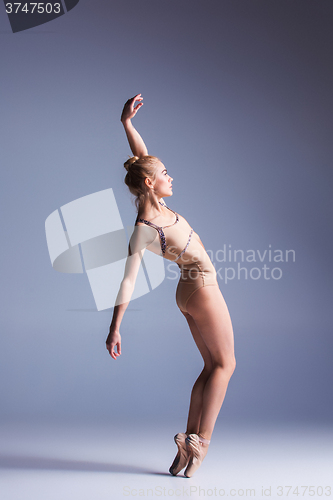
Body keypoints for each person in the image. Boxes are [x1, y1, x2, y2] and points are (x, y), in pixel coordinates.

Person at [106, 94, 236, 477]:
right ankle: (202, 443)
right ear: (150, 182)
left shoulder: (151, 213)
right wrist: (115, 328)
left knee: (210, 365)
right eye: (165, 174)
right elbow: (128, 280)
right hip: (202, 288)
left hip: (188, 291)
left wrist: (126, 123)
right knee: (226, 364)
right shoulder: (145, 229)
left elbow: (141, 158)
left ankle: (187, 441)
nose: (171, 176)